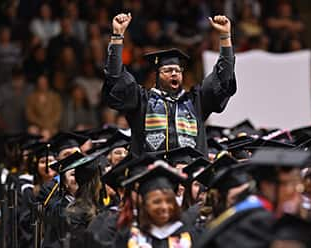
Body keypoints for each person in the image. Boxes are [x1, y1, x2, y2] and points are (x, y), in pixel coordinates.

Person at [102, 13, 237, 156]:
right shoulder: (142, 101)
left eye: (178, 70)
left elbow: (223, 77)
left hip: (189, 172)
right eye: (167, 70)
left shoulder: (195, 100)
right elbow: (115, 77)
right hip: (152, 174)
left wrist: (225, 37)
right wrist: (117, 36)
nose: (174, 73)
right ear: (157, 75)